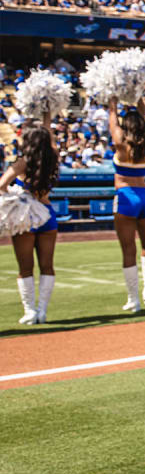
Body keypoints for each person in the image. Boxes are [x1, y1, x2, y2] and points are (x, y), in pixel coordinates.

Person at [2, 114, 59, 324]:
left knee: (25, 268)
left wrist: (15, 197)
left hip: (25, 218)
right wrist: (47, 115)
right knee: (47, 266)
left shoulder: (21, 163)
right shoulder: (53, 159)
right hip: (47, 216)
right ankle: (42, 311)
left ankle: (30, 312)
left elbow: (1, 185)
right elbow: (50, 140)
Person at [108, 96, 145, 312]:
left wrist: (112, 103)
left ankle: (133, 299)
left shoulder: (120, 144)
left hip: (126, 195)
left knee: (128, 249)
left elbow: (112, 120)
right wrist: (140, 103)